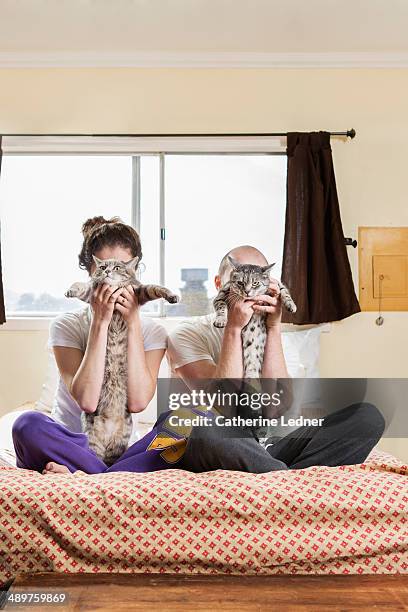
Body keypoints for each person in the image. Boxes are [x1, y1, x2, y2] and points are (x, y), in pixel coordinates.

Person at [167, 245, 385, 473]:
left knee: (368, 417)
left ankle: (276, 477)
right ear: (219, 285)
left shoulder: (275, 334)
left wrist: (273, 328)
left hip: (269, 448)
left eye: (258, 282)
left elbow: (275, 407)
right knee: (208, 427)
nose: (250, 291)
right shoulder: (187, 334)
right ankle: (289, 481)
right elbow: (223, 405)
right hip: (219, 444)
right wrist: (233, 328)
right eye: (238, 280)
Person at [12, 216, 184, 475]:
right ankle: (117, 476)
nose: (113, 280)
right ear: (91, 273)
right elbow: (87, 401)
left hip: (123, 447)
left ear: (135, 272)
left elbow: (137, 402)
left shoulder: (152, 330)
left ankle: (89, 474)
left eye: (122, 269)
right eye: (104, 271)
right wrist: (100, 322)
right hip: (72, 443)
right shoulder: (66, 325)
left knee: (192, 420)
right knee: (27, 425)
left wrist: (133, 322)